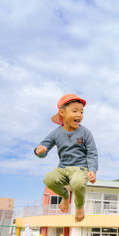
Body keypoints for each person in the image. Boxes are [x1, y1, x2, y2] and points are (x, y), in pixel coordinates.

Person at [34, 94, 98, 223]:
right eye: (74, 111)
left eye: (81, 112)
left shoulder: (85, 133)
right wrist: (39, 151)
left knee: (77, 183)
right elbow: (43, 149)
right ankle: (65, 195)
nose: (79, 115)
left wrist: (92, 170)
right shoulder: (56, 133)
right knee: (49, 179)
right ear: (62, 113)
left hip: (80, 167)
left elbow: (92, 153)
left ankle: (79, 207)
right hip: (62, 167)